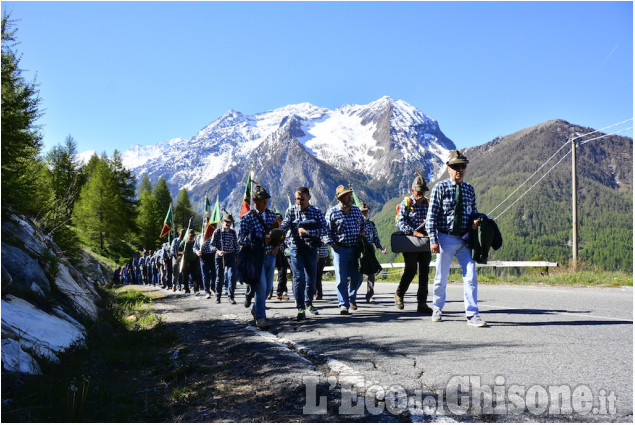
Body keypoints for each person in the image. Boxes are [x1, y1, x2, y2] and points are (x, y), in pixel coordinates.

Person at [426, 150, 485, 327]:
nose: (459, 170)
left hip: (465, 239)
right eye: (455, 167)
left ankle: (472, 314)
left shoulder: (469, 188)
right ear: (448, 168)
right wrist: (433, 239)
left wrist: (475, 221)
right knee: (441, 276)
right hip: (445, 238)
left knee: (471, 276)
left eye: (462, 166)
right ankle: (437, 307)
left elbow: (473, 211)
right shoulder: (440, 187)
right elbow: (432, 216)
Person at [281, 187, 328, 321]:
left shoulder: (316, 211)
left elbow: (324, 229)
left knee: (311, 279)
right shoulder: (290, 211)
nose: (299, 201)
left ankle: (309, 303)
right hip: (295, 247)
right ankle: (300, 307)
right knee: (298, 278)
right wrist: (278, 231)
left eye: (302, 199)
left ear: (309, 198)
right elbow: (285, 225)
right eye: (297, 199)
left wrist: (308, 233)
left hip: (311, 248)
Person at [238, 184, 278, 330]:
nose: (265, 202)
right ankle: (261, 317)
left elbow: (277, 234)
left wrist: (277, 245)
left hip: (270, 256)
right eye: (262, 200)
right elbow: (241, 239)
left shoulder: (272, 215)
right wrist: (261, 237)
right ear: (255, 200)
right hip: (256, 257)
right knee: (261, 287)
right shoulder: (247, 218)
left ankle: (256, 308)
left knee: (267, 289)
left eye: (266, 199)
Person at [395, 174, 433, 314]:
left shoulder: (428, 204)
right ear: (412, 191)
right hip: (410, 242)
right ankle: (399, 294)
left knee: (424, 273)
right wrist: (413, 232)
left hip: (425, 242)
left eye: (423, 192)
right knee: (411, 270)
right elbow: (401, 222)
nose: (421, 195)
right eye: (418, 192)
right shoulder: (406, 204)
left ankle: (422, 303)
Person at [325, 185, 364, 315]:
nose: (350, 197)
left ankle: (351, 297)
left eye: (350, 195)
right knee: (341, 279)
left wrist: (362, 234)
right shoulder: (332, 212)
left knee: (358, 277)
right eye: (347, 196)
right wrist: (333, 245)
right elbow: (325, 232)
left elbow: (363, 225)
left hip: (356, 249)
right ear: (341, 198)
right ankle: (343, 304)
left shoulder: (357, 211)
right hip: (340, 250)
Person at [360, 203, 387, 304]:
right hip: (358, 250)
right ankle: (351, 297)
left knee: (371, 274)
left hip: (370, 250)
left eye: (366, 211)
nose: (365, 213)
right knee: (355, 274)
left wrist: (381, 248)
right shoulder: (355, 223)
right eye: (363, 211)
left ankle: (369, 296)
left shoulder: (371, 224)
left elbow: (376, 238)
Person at [212, 213, 239, 304]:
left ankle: (231, 297)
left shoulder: (233, 232)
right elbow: (212, 245)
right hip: (220, 256)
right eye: (226, 222)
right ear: (223, 222)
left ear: (232, 223)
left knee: (232, 276)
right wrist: (218, 251)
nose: (228, 223)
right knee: (220, 277)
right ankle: (218, 296)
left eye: (230, 222)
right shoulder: (217, 232)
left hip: (230, 255)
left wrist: (237, 255)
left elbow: (236, 245)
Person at [194, 230, 217, 299]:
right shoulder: (199, 237)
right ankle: (207, 292)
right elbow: (194, 247)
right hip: (203, 257)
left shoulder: (214, 235)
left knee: (214, 274)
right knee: (205, 276)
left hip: (213, 256)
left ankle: (213, 288)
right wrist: (197, 252)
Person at [179, 229, 202, 294]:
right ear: (187, 236)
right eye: (190, 236)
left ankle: (196, 290)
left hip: (194, 261)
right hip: (185, 261)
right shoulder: (183, 243)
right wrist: (181, 252)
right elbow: (177, 252)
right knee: (185, 276)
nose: (192, 237)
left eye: (193, 236)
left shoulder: (196, 243)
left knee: (195, 276)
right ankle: (186, 289)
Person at [274, 213, 291, 301]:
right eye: (278, 220)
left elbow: (287, 241)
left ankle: (281, 292)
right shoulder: (271, 230)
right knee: (268, 273)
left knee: (283, 273)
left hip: (283, 252)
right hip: (272, 253)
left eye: (280, 220)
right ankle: (269, 291)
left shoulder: (284, 230)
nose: (279, 222)